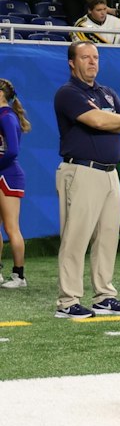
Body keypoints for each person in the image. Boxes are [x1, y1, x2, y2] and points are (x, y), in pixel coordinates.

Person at [53, 42, 120, 319]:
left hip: (110, 173)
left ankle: (104, 297)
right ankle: (68, 302)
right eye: (85, 57)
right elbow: (99, 123)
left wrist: (114, 118)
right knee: (75, 237)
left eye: (95, 57)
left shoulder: (107, 93)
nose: (92, 62)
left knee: (107, 237)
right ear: (71, 62)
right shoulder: (67, 93)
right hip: (81, 171)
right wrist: (116, 119)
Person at [0, 77, 30, 288]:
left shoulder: (6, 116)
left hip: (8, 175)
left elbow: (12, 151)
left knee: (12, 228)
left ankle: (19, 276)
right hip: (2, 173)